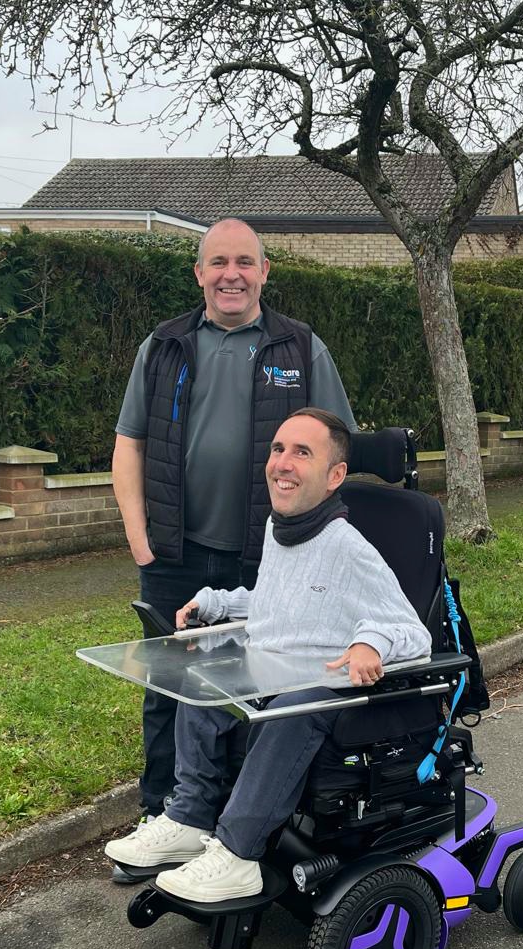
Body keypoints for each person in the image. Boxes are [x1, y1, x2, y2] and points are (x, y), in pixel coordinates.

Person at [104, 408, 431, 902]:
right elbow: (275, 604)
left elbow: (411, 630)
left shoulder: (347, 547)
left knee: (289, 712)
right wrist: (217, 602)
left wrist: (370, 643)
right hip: (269, 671)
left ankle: (238, 855)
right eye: (278, 449)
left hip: (320, 692)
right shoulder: (283, 531)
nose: (283, 462)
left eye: (303, 452)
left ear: (334, 476)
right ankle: (190, 817)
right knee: (199, 673)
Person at [111, 218, 356, 827]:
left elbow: (334, 450)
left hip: (268, 554)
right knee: (170, 688)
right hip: (175, 554)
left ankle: (239, 822)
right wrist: (141, 540)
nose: (232, 275)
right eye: (218, 262)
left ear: (264, 272)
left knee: (260, 685)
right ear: (199, 274)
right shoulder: (162, 347)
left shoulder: (300, 348)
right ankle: (162, 815)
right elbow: (129, 443)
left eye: (245, 262)